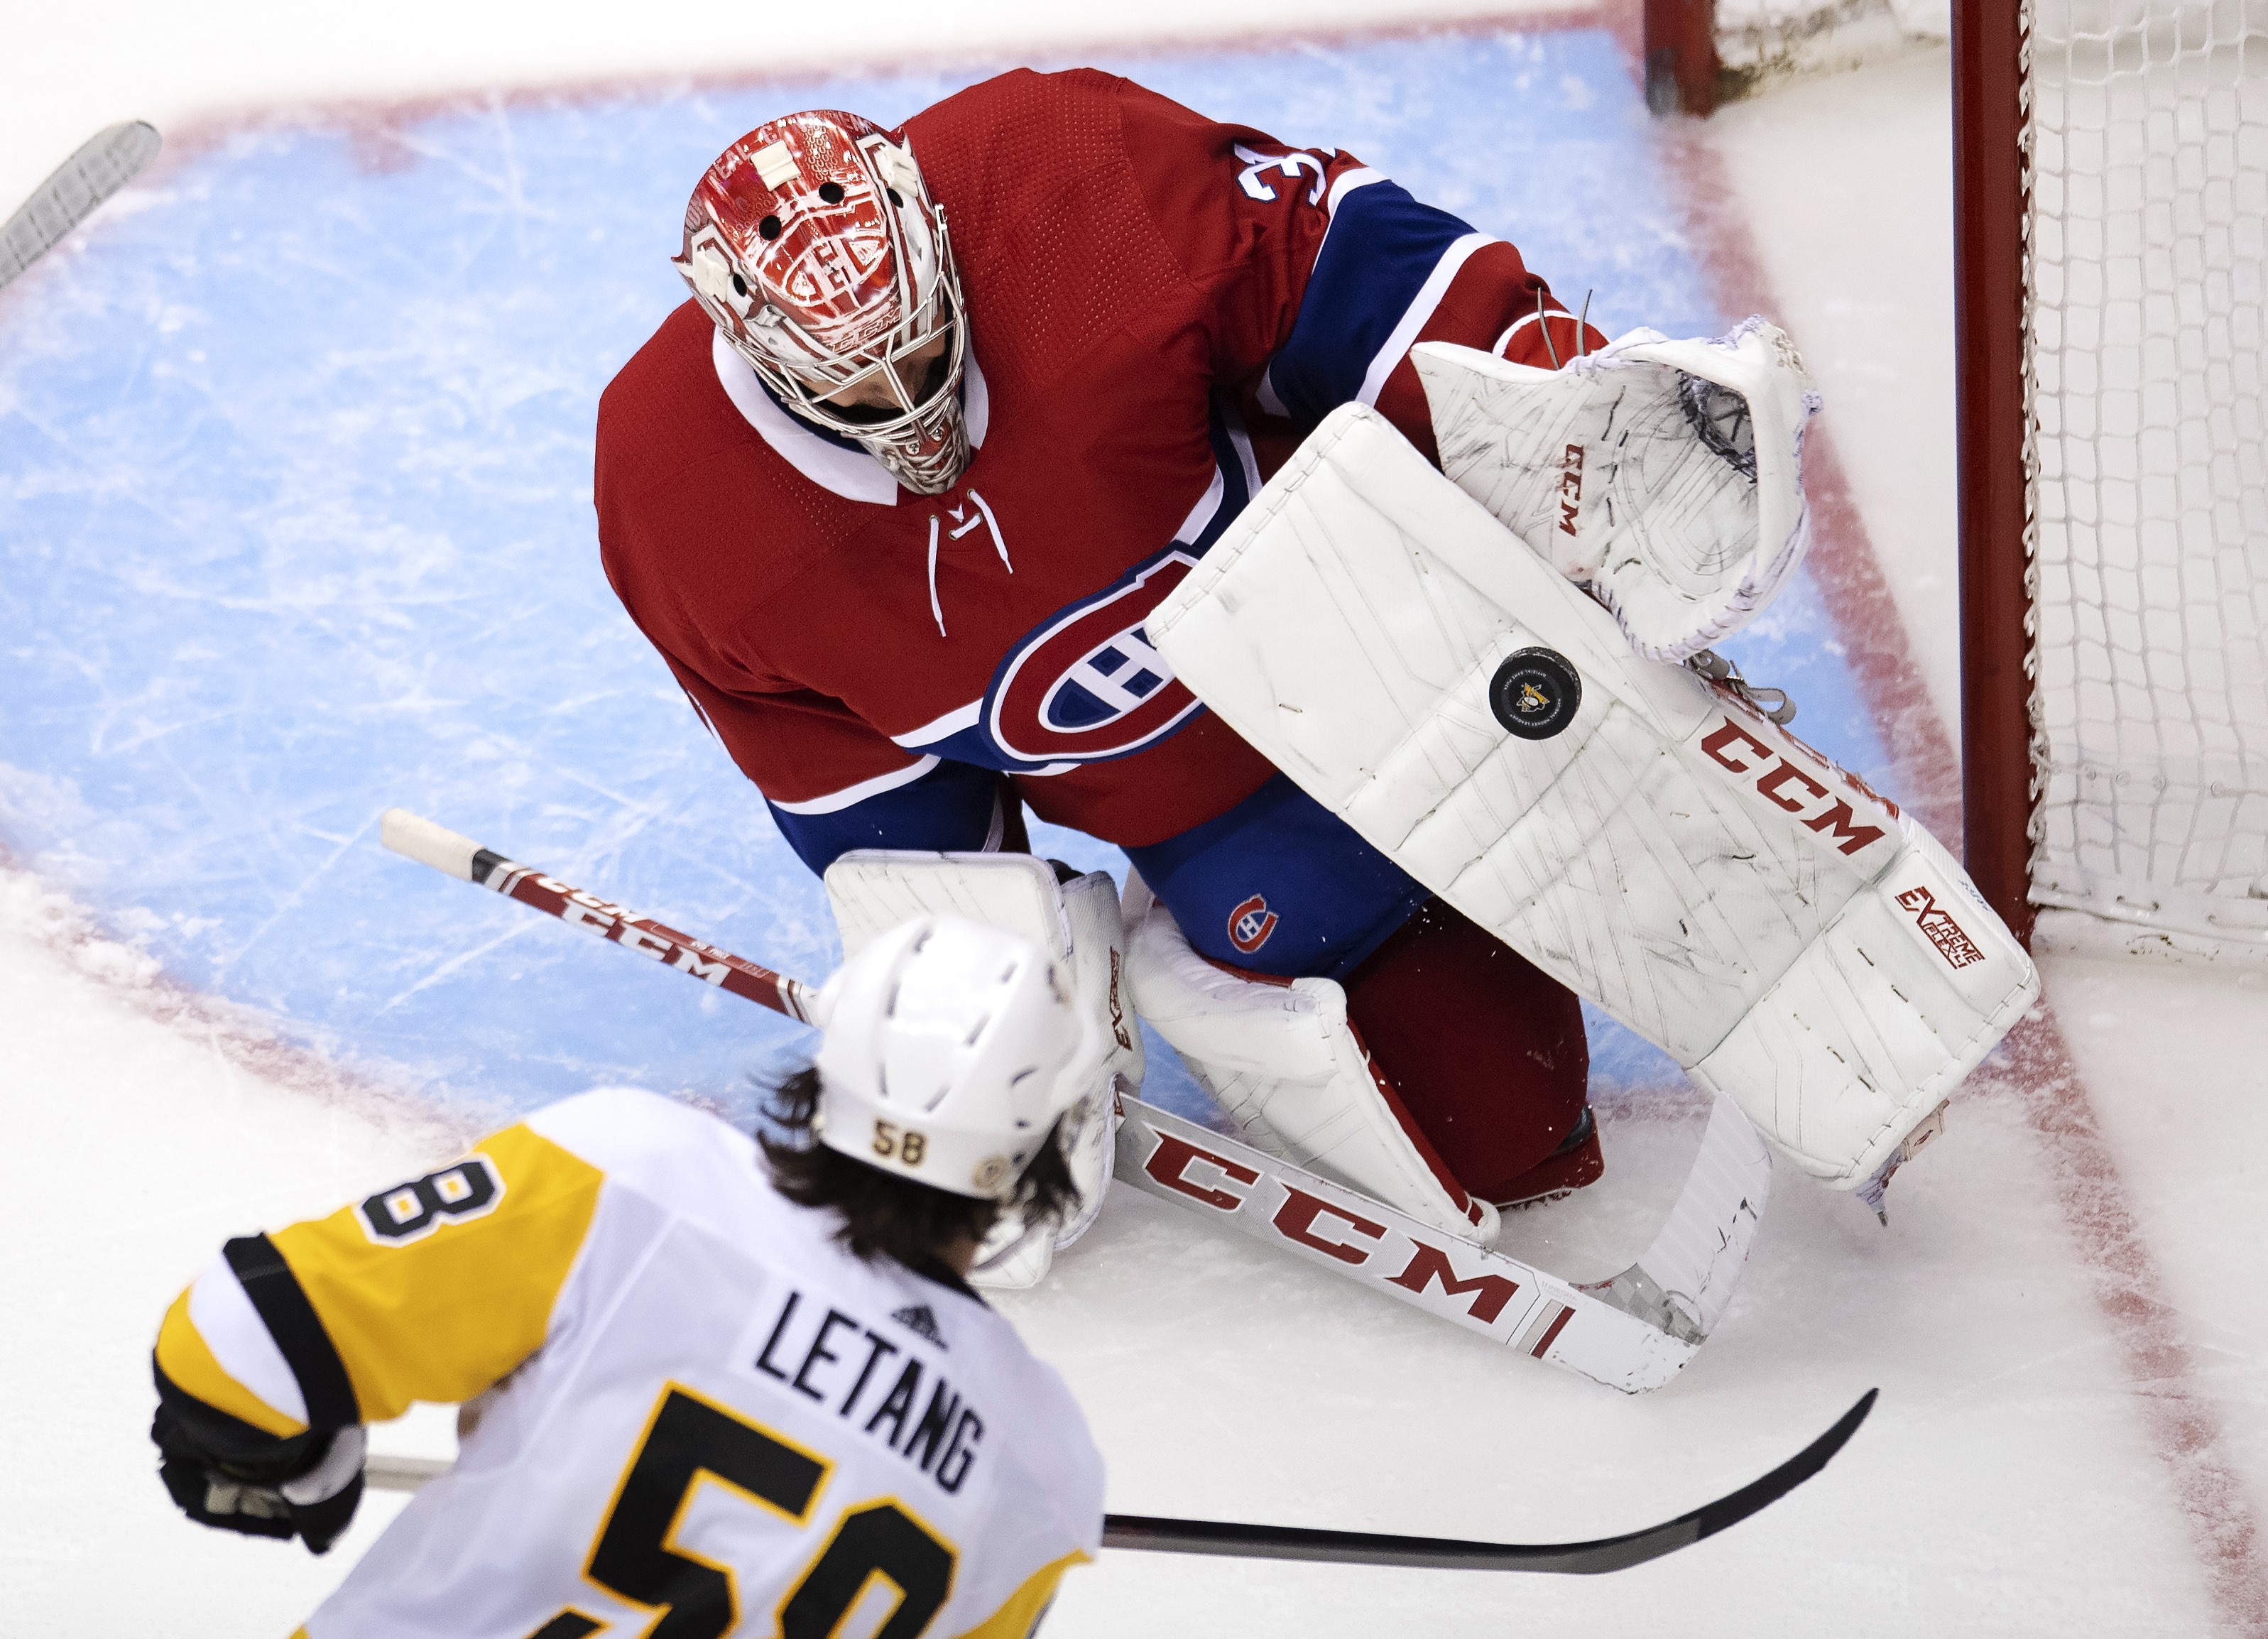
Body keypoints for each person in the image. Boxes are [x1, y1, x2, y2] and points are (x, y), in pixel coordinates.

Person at [594, 68, 1620, 1243]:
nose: (904, 399)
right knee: (1507, 1136)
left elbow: (1344, 279)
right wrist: (983, 1005)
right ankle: (1213, 919)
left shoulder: (1072, 174)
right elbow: (875, 815)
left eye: (920, 347)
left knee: (1678, 840)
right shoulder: (681, 506)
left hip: (1414, 623)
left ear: (938, 232)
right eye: (852, 380)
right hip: (1228, 805)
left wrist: (1567, 419)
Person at [150, 915, 1106, 1638]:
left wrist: (270, 1464)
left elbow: (232, 1352)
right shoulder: (1045, 1465)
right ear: (1052, 1144)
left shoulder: (633, 1175)